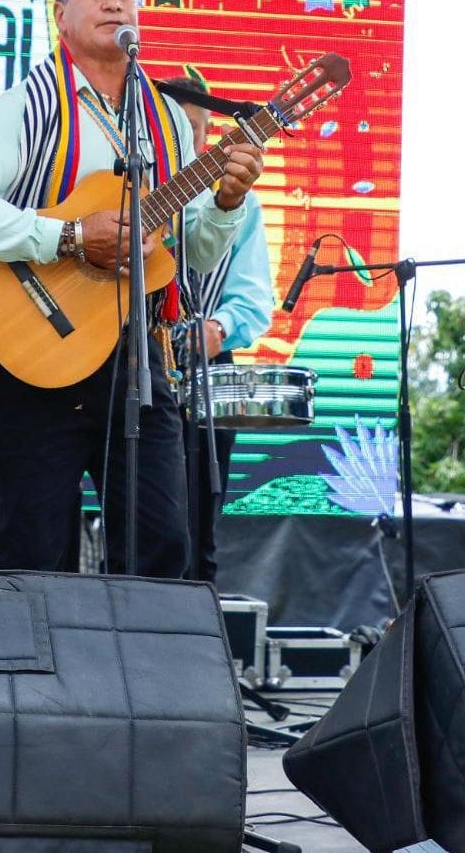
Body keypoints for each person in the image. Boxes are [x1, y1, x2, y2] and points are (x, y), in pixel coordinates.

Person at [0, 0, 265, 578]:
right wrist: (70, 238)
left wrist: (225, 201)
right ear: (59, 15)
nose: (114, 1)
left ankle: (139, 677)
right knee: (34, 556)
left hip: (138, 361)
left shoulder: (165, 115)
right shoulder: (30, 103)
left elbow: (189, 252)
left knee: (163, 550)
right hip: (39, 352)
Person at [170, 72, 275, 585]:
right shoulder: (126, 184)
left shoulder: (240, 199)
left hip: (206, 371)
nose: (186, 138)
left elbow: (255, 298)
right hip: (130, 366)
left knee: (198, 533)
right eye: (174, 125)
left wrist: (220, 326)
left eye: (195, 128)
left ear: (209, 134)